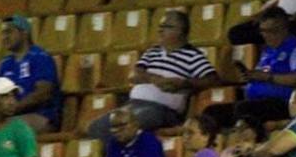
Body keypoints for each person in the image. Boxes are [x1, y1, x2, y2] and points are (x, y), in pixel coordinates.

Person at [88, 10, 219, 139]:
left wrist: (185, 83)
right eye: (160, 27)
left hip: (162, 110)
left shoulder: (193, 55)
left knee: (125, 126)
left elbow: (213, 79)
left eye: (166, 27)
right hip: (133, 105)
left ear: (181, 31)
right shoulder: (153, 52)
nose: (160, 30)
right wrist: (154, 78)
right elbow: (135, 74)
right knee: (95, 127)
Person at [209, 7, 296, 128]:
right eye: (263, 31)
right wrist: (252, 76)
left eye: (271, 31)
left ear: (283, 29)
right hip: (258, 101)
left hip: (284, 103)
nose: (266, 35)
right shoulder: (268, 50)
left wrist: (267, 77)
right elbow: (262, 74)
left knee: (244, 109)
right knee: (213, 112)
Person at [0, 15, 60, 133]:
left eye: (9, 32)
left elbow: (43, 93)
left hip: (40, 116)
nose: (4, 37)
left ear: (24, 33)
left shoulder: (40, 57)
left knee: (2, 128)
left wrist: (16, 107)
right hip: (10, 117)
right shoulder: (5, 63)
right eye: (3, 33)